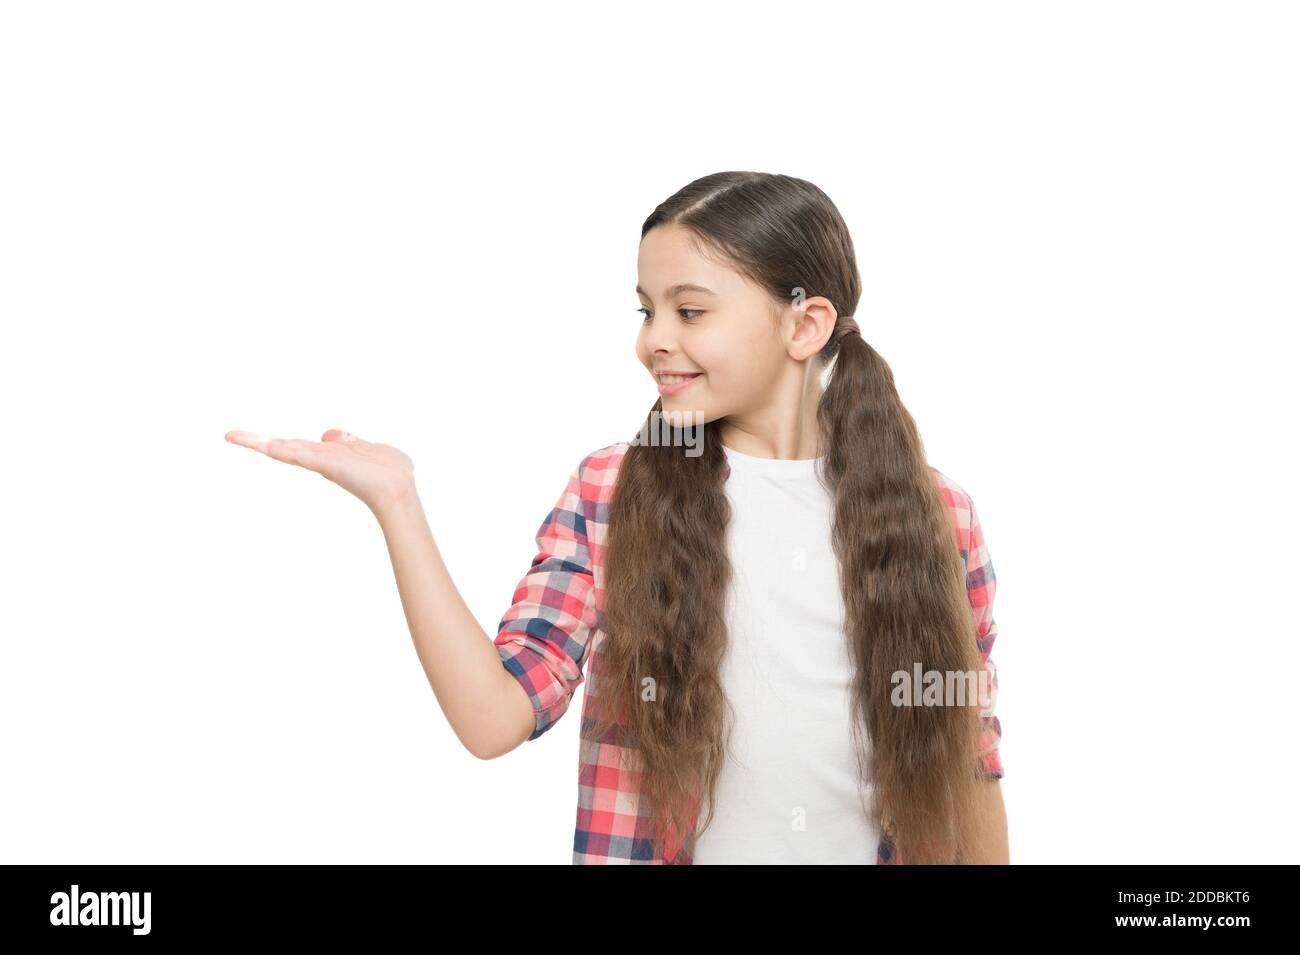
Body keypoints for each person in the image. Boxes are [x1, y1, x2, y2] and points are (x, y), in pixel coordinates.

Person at [226, 170, 1008, 864]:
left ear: (803, 325)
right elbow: (494, 716)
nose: (652, 341)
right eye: (646, 310)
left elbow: (968, 766)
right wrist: (398, 504)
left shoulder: (941, 518)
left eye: (689, 311)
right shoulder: (613, 490)